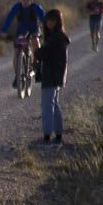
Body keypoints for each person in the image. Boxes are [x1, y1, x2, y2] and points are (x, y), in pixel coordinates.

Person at [30, 9, 69, 145]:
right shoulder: (58, 36)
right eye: (47, 20)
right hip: (55, 76)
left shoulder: (57, 37)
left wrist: (35, 48)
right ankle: (58, 135)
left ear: (58, 22)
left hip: (52, 75)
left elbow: (43, 54)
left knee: (47, 106)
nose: (49, 23)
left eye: (52, 20)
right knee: (54, 105)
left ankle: (47, 136)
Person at [0, 0, 45, 88]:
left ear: (31, 0)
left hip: (34, 30)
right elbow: (9, 18)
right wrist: (4, 30)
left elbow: (43, 18)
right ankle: (17, 75)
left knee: (35, 41)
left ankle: (37, 64)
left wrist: (48, 30)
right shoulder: (17, 7)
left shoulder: (36, 7)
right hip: (21, 32)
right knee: (17, 51)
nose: (25, 1)